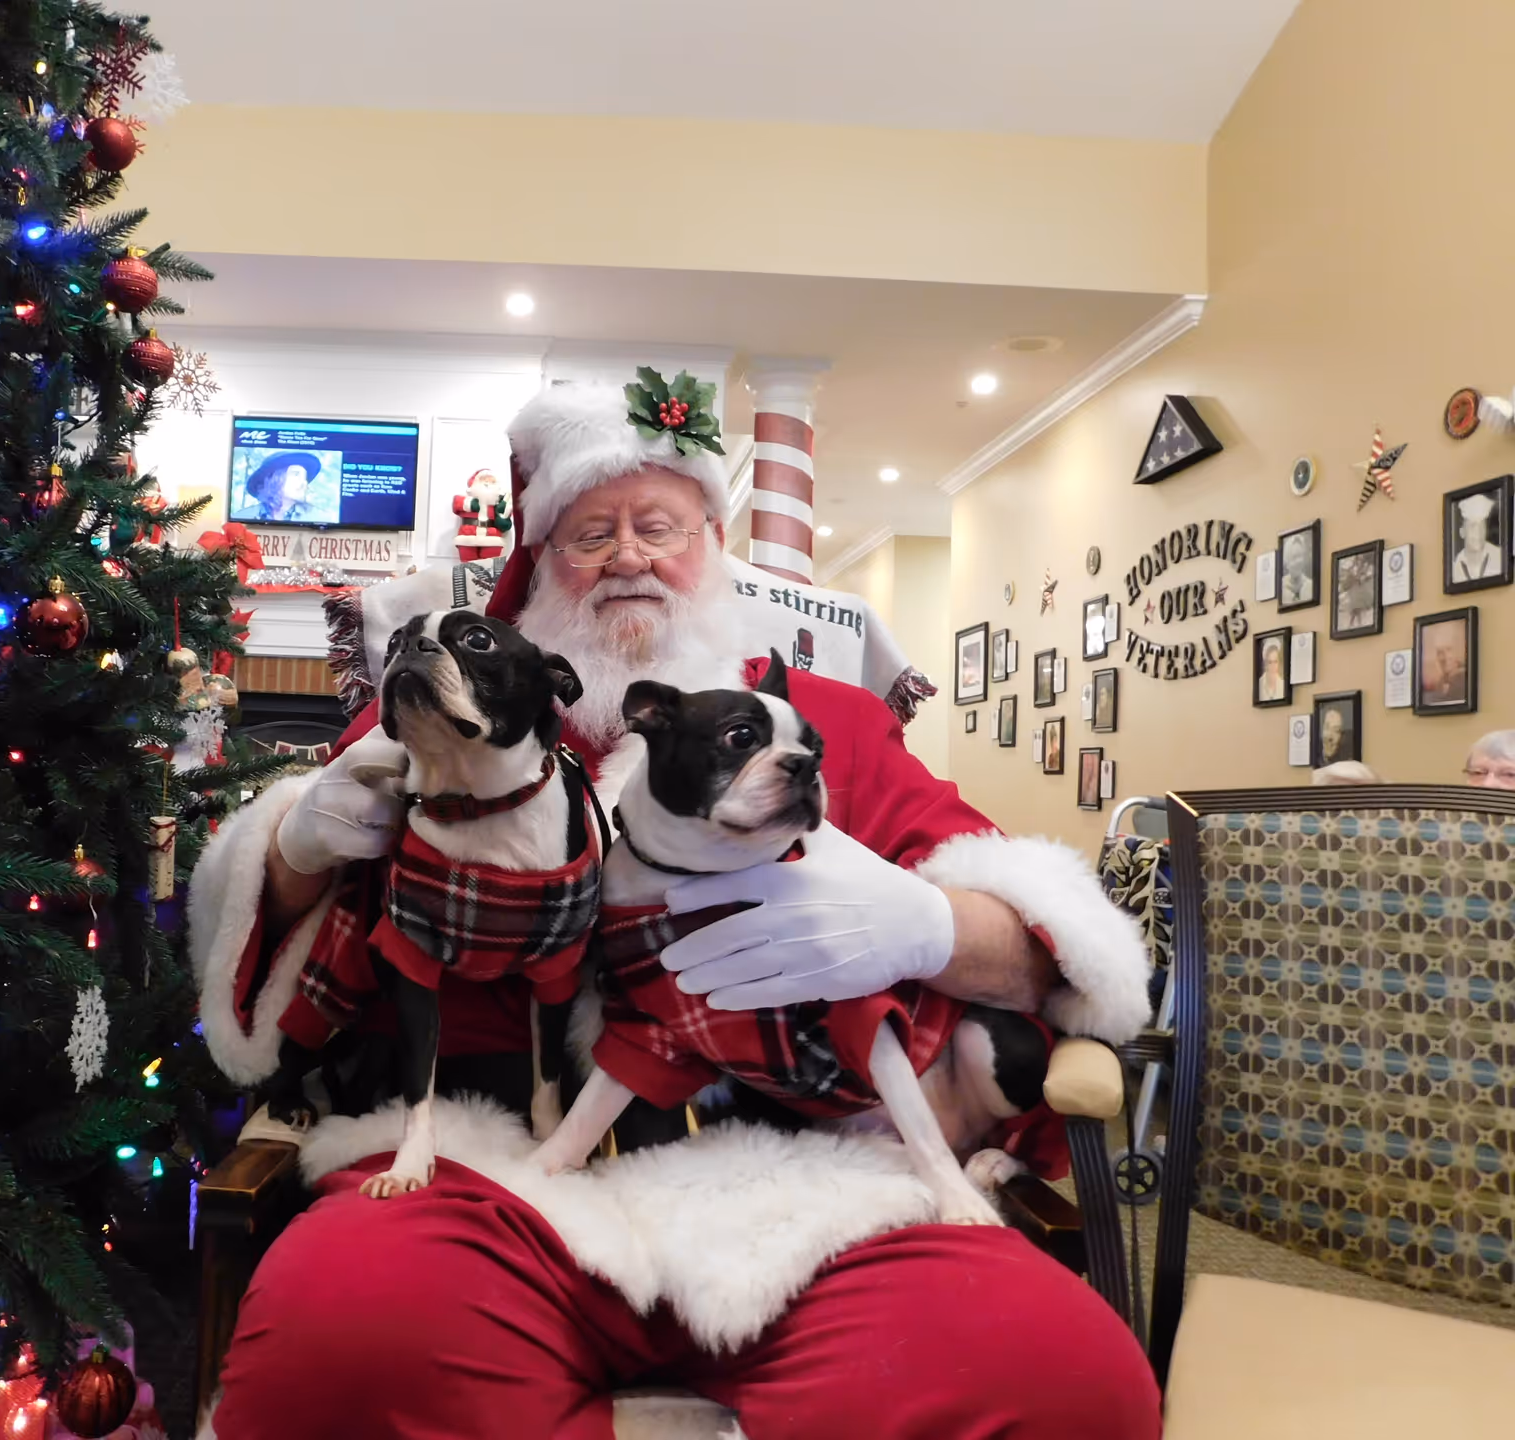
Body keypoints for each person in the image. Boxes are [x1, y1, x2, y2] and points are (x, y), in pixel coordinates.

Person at [190, 380, 1157, 1440]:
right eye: (587, 534)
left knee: (1057, 1380)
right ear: (539, 563)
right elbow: (283, 961)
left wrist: (931, 927)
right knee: (333, 1354)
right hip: (491, 1163)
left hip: (812, 1177)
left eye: (659, 526)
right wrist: (292, 843)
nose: (629, 557)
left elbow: (1040, 948)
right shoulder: (450, 717)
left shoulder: (824, 728)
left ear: (715, 541)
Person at [235, 450, 324, 523]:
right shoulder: (241, 518)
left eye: (305, 478)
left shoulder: (320, 519)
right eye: (296, 474)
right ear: (273, 479)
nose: (304, 483)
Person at [1452, 493, 1504, 585]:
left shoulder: (1501, 558)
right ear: (1462, 532)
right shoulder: (1454, 568)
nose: (1478, 533)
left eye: (1482, 526)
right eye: (1473, 526)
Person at [1281, 530, 1314, 606]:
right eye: (1294, 557)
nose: (1298, 562)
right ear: (1287, 562)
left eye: (1300, 556)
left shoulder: (1310, 585)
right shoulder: (1281, 586)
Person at [1258, 636, 1286, 702]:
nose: (1273, 666)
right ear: (1266, 664)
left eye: (1275, 662)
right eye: (1270, 662)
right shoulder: (1260, 684)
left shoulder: (1283, 685)